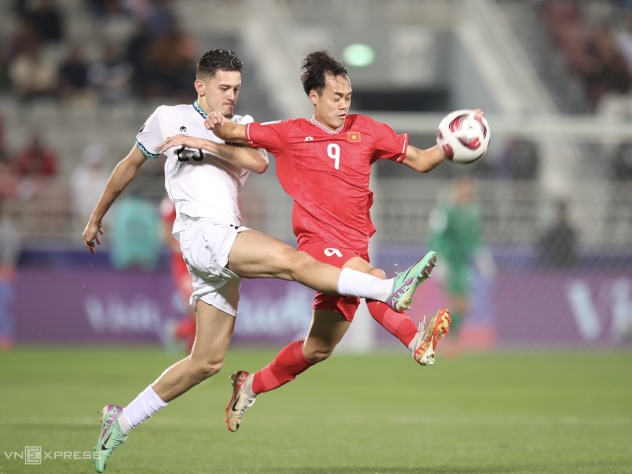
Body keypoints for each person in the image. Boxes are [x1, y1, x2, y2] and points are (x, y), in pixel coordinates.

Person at [84, 49, 433, 473]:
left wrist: (205, 140)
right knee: (292, 261)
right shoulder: (165, 117)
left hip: (222, 244)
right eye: (223, 88)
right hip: (202, 233)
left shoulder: (242, 127)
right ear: (201, 85)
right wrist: (97, 214)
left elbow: (258, 161)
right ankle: (387, 290)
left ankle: (118, 422)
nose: (231, 95)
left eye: (236, 89)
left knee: (207, 361)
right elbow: (129, 165)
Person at [161, 49, 462, 433]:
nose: (343, 104)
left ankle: (248, 385)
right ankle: (415, 339)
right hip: (319, 247)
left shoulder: (368, 130)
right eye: (335, 97)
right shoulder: (290, 133)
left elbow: (422, 160)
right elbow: (236, 133)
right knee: (373, 277)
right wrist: (217, 122)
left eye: (347, 97)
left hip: (354, 247)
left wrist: (454, 145)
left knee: (317, 348)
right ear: (314, 97)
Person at [426, 175, 495, 356]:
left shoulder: (473, 211)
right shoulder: (445, 211)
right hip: (448, 260)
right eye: (465, 188)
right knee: (461, 304)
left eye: (470, 188)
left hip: (462, 262)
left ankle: (441, 335)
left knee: (462, 305)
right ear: (457, 189)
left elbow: (473, 238)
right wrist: (438, 260)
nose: (468, 192)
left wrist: (482, 257)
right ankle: (449, 341)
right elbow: (435, 237)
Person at [159, 194, 196, 354]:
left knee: (204, 313)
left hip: (201, 261)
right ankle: (180, 334)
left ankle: (179, 332)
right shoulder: (172, 200)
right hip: (183, 263)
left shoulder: (197, 194)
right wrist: (180, 246)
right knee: (198, 310)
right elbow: (164, 233)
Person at [537, 198, 579, 269]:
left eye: (562, 209)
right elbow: (543, 240)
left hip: (567, 257)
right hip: (553, 256)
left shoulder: (569, 226)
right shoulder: (551, 226)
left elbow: (574, 239)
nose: (560, 212)